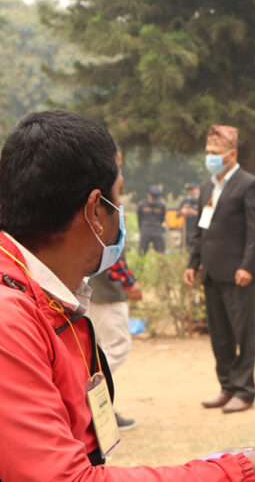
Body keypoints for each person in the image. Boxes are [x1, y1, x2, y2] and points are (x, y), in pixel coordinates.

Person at [0, 110, 255, 481]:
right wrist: (244, 473)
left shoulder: (46, 298)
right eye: (119, 196)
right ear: (96, 210)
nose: (120, 212)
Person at [184, 124, 255, 414]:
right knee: (219, 335)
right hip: (211, 272)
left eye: (215, 152)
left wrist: (247, 266)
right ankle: (227, 386)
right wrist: (193, 263)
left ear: (232, 154)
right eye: (207, 151)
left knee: (242, 334)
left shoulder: (249, 184)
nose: (210, 157)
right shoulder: (207, 187)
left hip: (238, 274)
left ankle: (244, 391)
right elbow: (201, 229)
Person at [88, 147, 144, 431]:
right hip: (106, 289)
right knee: (117, 346)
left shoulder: (88, 195)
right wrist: (130, 282)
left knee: (98, 348)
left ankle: (99, 407)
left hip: (91, 285)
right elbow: (113, 250)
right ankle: (90, 399)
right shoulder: (105, 201)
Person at [137, 185, 166, 255]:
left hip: (157, 230)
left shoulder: (161, 206)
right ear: (149, 195)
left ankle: (160, 261)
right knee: (141, 252)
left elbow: (162, 218)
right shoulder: (142, 205)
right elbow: (139, 218)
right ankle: (141, 261)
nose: (154, 199)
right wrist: (142, 228)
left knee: (161, 251)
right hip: (145, 229)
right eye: (153, 196)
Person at [179, 182, 202, 248]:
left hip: (197, 229)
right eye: (189, 190)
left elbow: (205, 215)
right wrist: (182, 211)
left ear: (197, 190)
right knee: (185, 247)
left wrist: (192, 212)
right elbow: (177, 215)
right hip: (186, 229)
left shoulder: (201, 200)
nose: (190, 192)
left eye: (192, 189)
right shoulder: (185, 201)